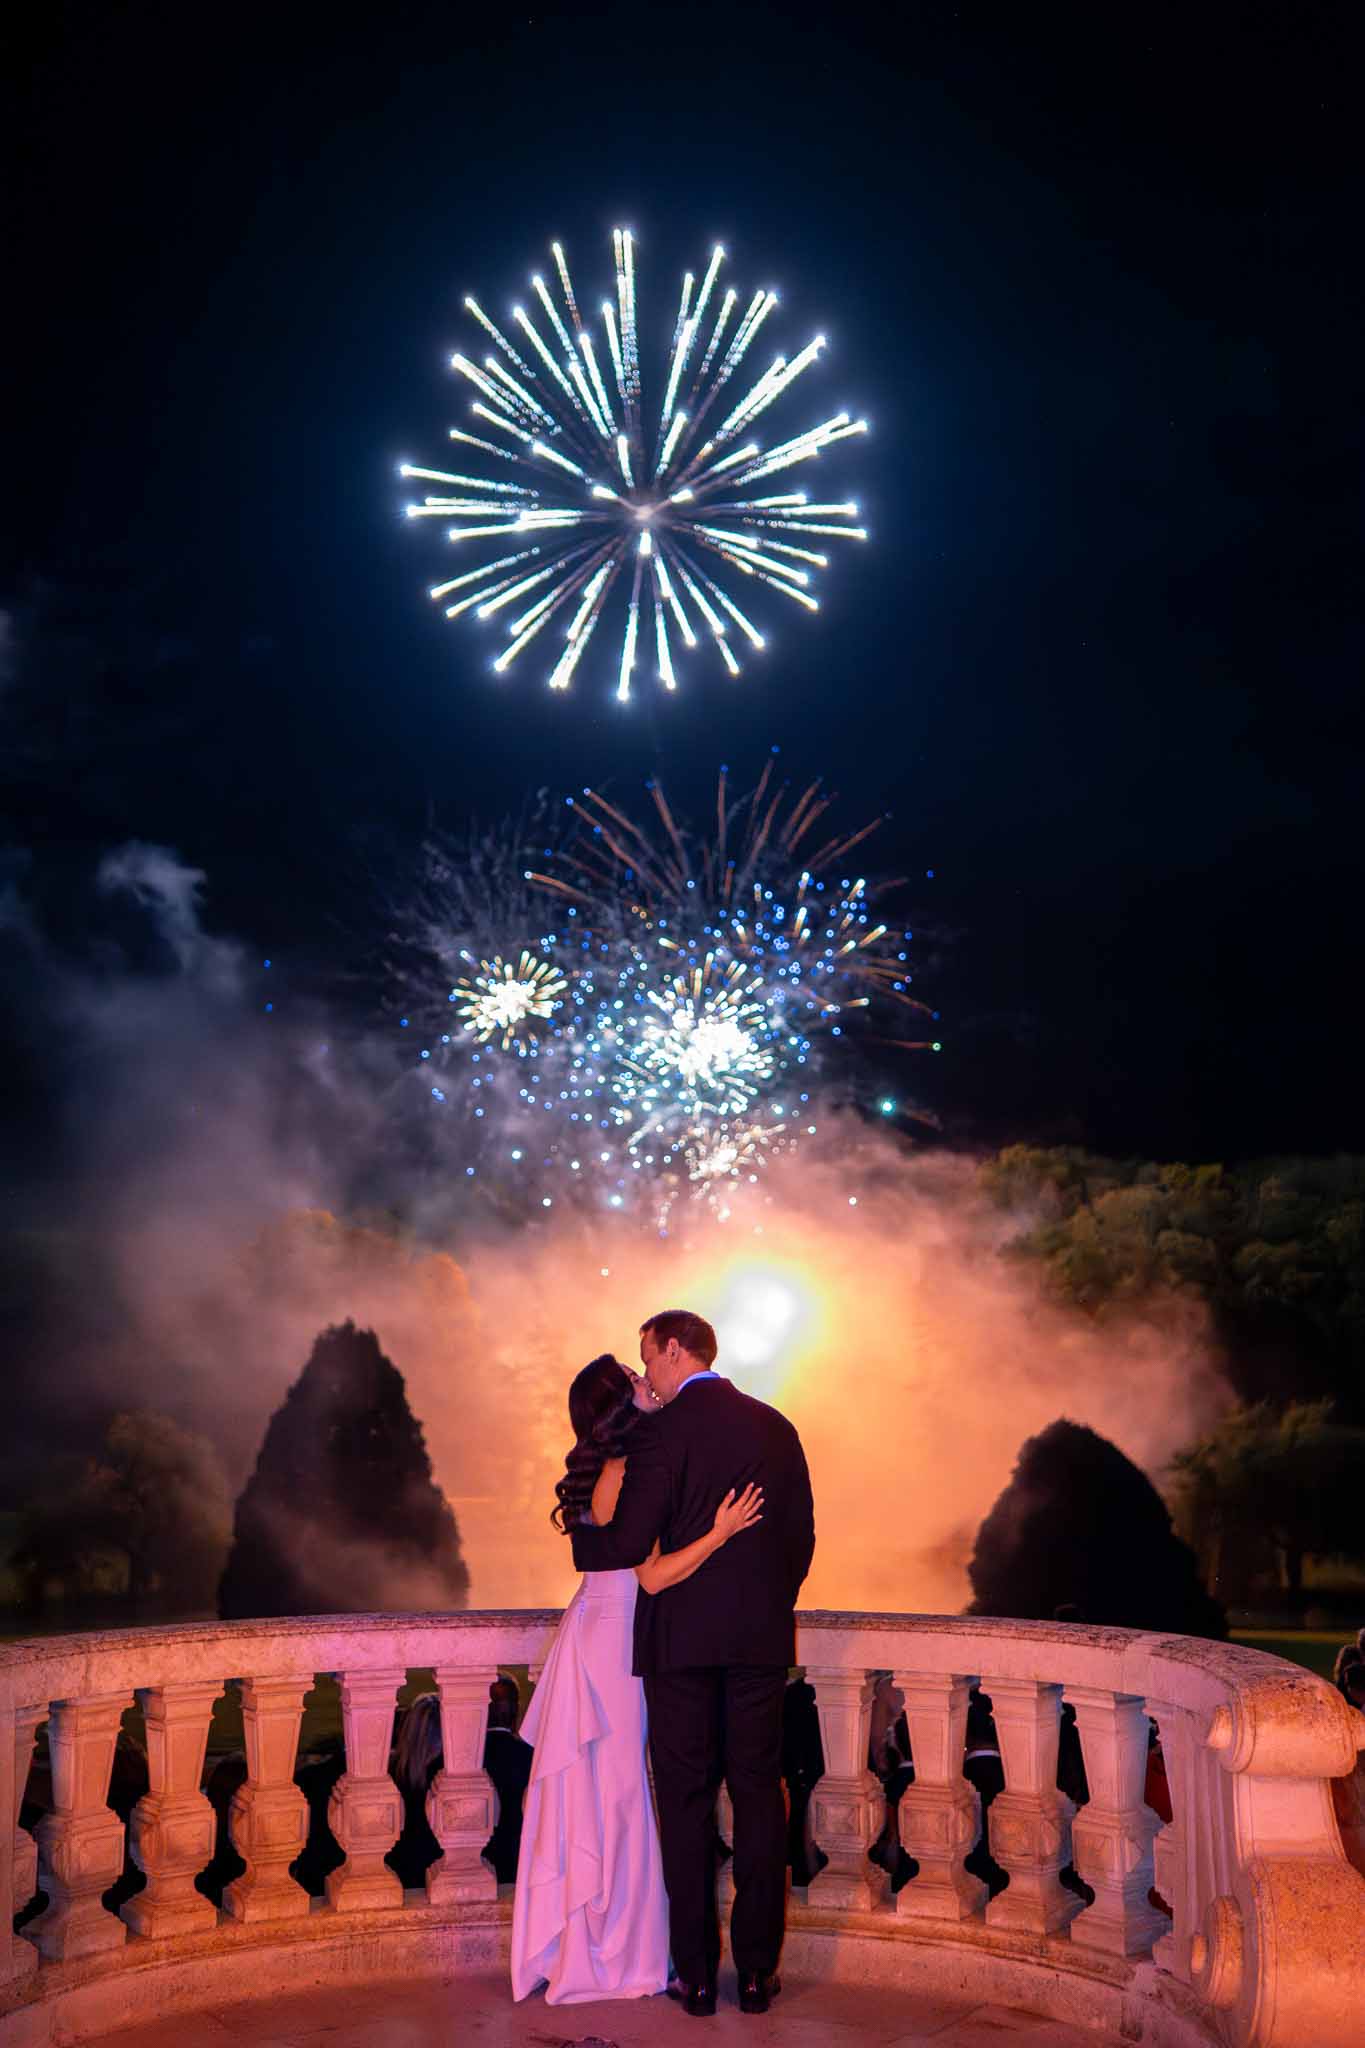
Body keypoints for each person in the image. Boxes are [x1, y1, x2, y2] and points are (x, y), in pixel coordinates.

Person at [571, 1308, 816, 2019]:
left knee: (683, 1809)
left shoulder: (660, 1432)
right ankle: (761, 1975)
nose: (645, 1373)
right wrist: (762, 1608)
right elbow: (798, 1544)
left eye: (648, 1358)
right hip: (757, 1647)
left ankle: (700, 1978)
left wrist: (586, 1542)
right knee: (759, 1803)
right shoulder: (775, 1426)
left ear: (675, 1350)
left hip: (678, 1647)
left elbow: (626, 1541)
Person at [511, 1348, 766, 2007]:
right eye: (632, 1379)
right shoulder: (627, 1468)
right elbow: (650, 1575)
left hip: (603, 1632)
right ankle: (615, 1951)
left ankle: (606, 1942)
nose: (645, 1380)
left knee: (613, 1791)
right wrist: (719, 1532)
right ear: (618, 1404)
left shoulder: (622, 1464)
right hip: (616, 1643)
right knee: (620, 1792)